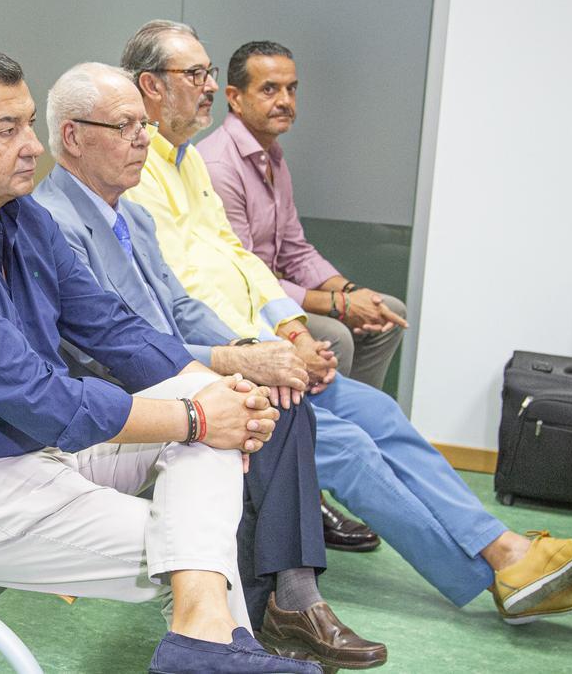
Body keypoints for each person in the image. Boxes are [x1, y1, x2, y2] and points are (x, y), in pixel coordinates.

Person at [120, 19, 572, 625]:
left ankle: (507, 551)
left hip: (265, 345)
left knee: (378, 413)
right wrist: (265, 346)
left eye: (207, 72)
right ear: (150, 86)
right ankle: (492, 570)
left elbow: (241, 258)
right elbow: (179, 300)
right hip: (222, 363)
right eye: (194, 74)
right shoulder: (137, 170)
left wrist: (294, 329)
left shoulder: (188, 162)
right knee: (353, 449)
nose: (206, 85)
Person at [0, 46, 322, 674]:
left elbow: (112, 326)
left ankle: (204, 644)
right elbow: (41, 398)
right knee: (198, 552)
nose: (33, 146)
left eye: (27, 123)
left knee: (211, 452)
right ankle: (213, 644)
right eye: (6, 129)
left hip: (42, 456)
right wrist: (197, 417)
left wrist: (220, 394)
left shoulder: (19, 218)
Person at [33, 61, 387, 670]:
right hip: (117, 392)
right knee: (258, 402)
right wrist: (236, 365)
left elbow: (179, 305)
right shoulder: (55, 223)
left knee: (274, 394)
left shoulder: (131, 214)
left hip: (170, 369)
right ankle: (268, 610)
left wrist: (252, 350)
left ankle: (270, 610)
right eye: (125, 127)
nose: (144, 139)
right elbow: (103, 350)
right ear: (72, 136)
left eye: (144, 126)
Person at [197, 41, 407, 391]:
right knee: (336, 335)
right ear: (233, 97)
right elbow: (244, 276)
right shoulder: (219, 165)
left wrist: (351, 291)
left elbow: (295, 249)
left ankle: (359, 414)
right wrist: (339, 305)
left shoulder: (272, 156)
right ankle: (326, 430)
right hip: (245, 306)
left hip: (275, 291)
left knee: (388, 310)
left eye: (291, 89)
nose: (285, 101)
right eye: (269, 89)